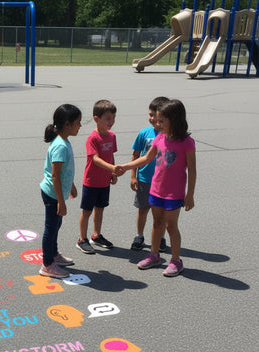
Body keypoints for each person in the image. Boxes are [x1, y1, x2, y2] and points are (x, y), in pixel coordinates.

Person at [115, 99, 196, 277]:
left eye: (161, 121)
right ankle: (154, 255)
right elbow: (145, 158)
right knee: (157, 223)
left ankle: (176, 260)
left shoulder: (187, 142)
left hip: (174, 193)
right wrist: (126, 167)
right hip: (156, 190)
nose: (157, 124)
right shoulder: (159, 137)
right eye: (156, 120)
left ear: (174, 120)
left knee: (171, 226)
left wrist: (189, 195)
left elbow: (192, 170)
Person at [39, 104, 81, 279]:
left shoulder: (64, 141)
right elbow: (55, 175)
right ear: (67, 124)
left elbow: (64, 171)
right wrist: (61, 202)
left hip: (58, 193)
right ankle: (47, 265)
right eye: (78, 122)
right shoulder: (60, 146)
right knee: (51, 227)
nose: (80, 126)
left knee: (56, 225)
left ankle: (54, 254)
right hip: (52, 194)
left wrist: (70, 186)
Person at [76, 99, 118, 254]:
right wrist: (112, 167)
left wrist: (112, 172)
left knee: (100, 210)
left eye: (113, 118)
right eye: (108, 118)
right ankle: (82, 239)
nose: (111, 121)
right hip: (91, 182)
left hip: (104, 182)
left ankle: (96, 235)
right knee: (87, 211)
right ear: (96, 119)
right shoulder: (93, 138)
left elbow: (111, 155)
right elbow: (95, 158)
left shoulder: (112, 136)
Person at [130, 96, 169, 252]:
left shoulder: (169, 134)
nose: (153, 119)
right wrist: (133, 175)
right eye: (151, 115)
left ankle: (161, 236)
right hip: (144, 179)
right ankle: (139, 235)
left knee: (162, 212)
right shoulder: (144, 133)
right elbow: (136, 154)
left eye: (157, 116)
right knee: (142, 209)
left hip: (163, 181)